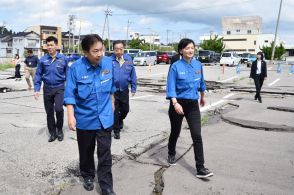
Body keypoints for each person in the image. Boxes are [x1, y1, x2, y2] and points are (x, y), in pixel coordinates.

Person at [64, 34, 116, 195]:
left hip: (105, 118)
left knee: (105, 153)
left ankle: (106, 186)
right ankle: (87, 175)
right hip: (85, 118)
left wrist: (112, 105)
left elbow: (112, 87)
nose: (100, 54)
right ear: (85, 52)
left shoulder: (108, 63)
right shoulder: (76, 68)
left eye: (101, 49)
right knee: (86, 150)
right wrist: (70, 116)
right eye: (95, 51)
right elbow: (69, 94)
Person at [166, 38, 213, 178]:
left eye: (192, 48)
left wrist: (203, 97)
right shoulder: (175, 66)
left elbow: (201, 83)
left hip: (192, 104)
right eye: (187, 48)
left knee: (197, 135)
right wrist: (175, 103)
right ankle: (171, 153)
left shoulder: (198, 65)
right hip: (178, 104)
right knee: (175, 131)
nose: (190, 50)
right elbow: (171, 86)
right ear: (181, 50)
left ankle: (200, 168)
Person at [34, 36, 68, 142]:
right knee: (49, 112)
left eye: (51, 45)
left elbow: (68, 75)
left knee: (59, 109)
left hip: (59, 88)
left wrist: (71, 89)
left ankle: (59, 130)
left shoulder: (63, 59)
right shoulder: (43, 60)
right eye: (47, 45)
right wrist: (36, 89)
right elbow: (38, 75)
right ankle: (52, 132)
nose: (49, 47)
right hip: (47, 88)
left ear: (56, 46)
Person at [110, 40, 137, 139]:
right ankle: (116, 130)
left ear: (124, 49)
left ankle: (120, 120)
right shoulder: (109, 60)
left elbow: (133, 74)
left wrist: (134, 87)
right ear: (113, 50)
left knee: (125, 110)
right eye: (116, 49)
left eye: (121, 49)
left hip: (124, 90)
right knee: (115, 111)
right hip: (113, 91)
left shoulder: (128, 60)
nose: (119, 51)